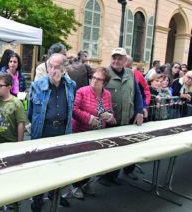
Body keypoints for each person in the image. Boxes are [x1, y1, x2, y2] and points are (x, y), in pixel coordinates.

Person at [28, 53, 76, 211]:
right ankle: (37, 198)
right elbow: (30, 112)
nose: (53, 70)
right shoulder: (37, 85)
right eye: (50, 66)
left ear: (63, 69)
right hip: (43, 129)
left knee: (59, 165)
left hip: (62, 130)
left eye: (57, 67)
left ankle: (55, 195)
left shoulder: (71, 85)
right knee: (40, 165)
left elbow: (70, 109)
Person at [71, 67, 116, 199]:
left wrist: (109, 117)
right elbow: (74, 109)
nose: (94, 81)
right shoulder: (82, 91)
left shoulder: (107, 94)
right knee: (79, 161)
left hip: (97, 134)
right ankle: (75, 186)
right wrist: (89, 118)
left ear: (105, 83)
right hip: (81, 132)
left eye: (99, 79)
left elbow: (110, 111)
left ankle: (85, 183)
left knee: (90, 160)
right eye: (93, 77)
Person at [101, 47, 144, 185]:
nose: (116, 61)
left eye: (120, 58)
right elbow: (95, 96)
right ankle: (107, 177)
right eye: (114, 57)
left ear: (126, 60)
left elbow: (137, 94)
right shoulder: (104, 73)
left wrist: (139, 111)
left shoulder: (131, 73)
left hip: (128, 119)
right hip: (111, 122)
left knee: (128, 147)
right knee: (110, 151)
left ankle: (126, 171)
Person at [0, 73, 25, 143]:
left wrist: (20, 142)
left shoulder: (16, 102)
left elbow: (21, 123)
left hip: (11, 142)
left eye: (0, 86)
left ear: (9, 87)